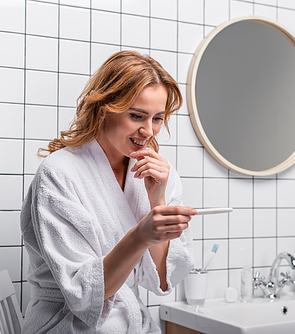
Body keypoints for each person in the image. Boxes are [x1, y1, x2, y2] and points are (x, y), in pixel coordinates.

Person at [20, 51, 195, 333]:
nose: (148, 130)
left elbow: (163, 279)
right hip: (66, 325)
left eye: (158, 118)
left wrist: (157, 201)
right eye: (137, 115)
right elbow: (83, 294)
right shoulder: (58, 173)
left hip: (130, 322)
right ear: (104, 108)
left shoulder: (158, 174)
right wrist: (141, 235)